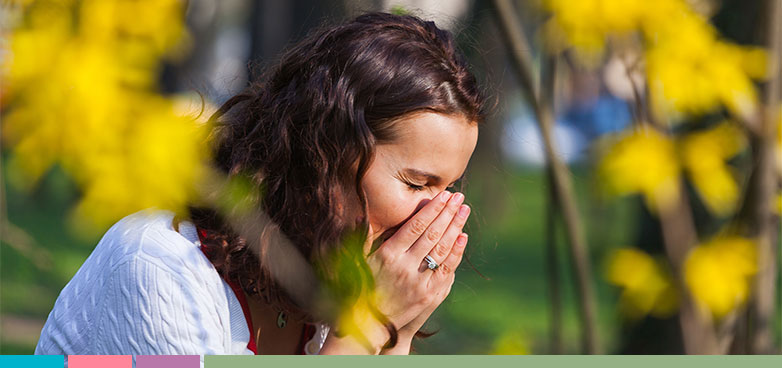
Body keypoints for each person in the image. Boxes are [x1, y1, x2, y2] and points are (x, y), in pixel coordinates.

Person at [35, 11, 485, 361]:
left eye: (447, 189)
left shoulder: (329, 283)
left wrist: (395, 336)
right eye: (417, 183)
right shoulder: (158, 268)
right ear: (323, 156)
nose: (435, 215)